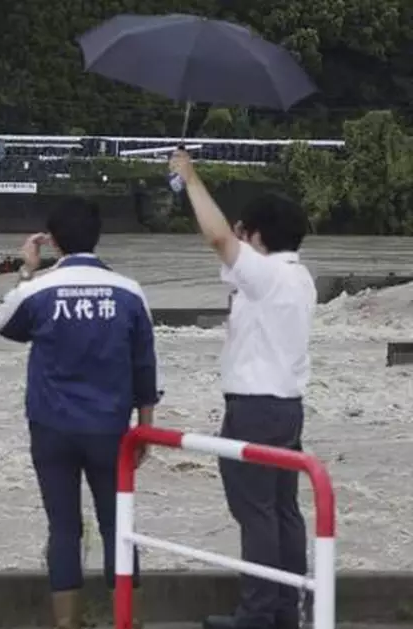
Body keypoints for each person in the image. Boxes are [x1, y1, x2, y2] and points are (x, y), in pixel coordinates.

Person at [0, 198, 158, 629]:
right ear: (97, 237)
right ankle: (128, 620)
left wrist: (29, 268)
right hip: (110, 427)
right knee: (117, 524)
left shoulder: (38, 289)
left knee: (63, 527)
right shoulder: (129, 291)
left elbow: (3, 325)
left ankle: (66, 622)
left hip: (52, 426)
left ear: (54, 241)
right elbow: (144, 362)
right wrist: (146, 426)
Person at [170, 151, 315, 629]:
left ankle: (256, 613)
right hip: (287, 407)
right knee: (282, 511)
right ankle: (285, 608)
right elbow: (228, 253)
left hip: (254, 408)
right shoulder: (298, 276)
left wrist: (190, 178)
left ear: (255, 237)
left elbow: (216, 238)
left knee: (256, 514)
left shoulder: (268, 274)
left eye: (245, 233)